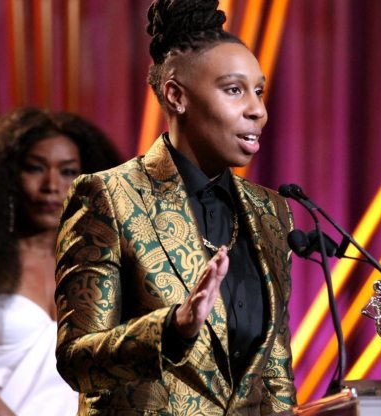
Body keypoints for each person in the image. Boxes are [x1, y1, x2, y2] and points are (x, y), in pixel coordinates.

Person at [54, 0, 297, 413]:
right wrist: (172, 328)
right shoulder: (108, 196)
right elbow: (77, 360)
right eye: (234, 89)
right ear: (175, 95)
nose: (257, 109)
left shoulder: (270, 212)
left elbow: (275, 375)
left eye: (259, 91)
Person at [0, 107, 122, 415]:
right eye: (34, 168)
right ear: (6, 178)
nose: (51, 186)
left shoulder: (105, 267)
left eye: (68, 171)